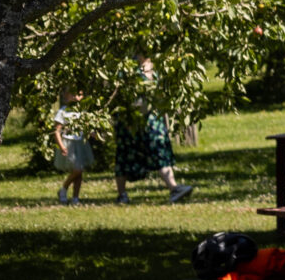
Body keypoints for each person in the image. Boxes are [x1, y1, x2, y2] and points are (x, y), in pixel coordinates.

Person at [110, 58, 192, 204]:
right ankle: (122, 194)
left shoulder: (159, 67)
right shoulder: (128, 68)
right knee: (124, 154)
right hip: (130, 119)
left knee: (159, 148)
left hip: (152, 117)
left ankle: (174, 188)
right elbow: (120, 95)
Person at [48, 88, 96, 205]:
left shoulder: (83, 112)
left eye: (79, 95)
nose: (76, 97)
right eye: (73, 94)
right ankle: (64, 189)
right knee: (77, 169)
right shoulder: (63, 112)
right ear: (66, 96)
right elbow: (57, 131)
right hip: (69, 143)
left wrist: (93, 134)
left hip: (80, 143)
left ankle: (75, 197)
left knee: (79, 172)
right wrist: (61, 145)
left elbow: (87, 127)